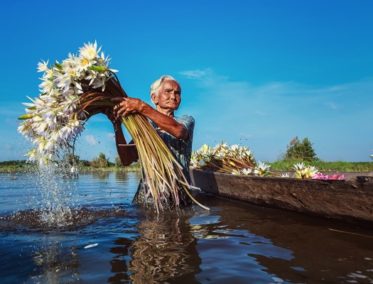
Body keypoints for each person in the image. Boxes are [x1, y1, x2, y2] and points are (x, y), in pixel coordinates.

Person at [108, 75, 195, 206]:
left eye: (177, 93)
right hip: (147, 197)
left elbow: (178, 131)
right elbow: (127, 159)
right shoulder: (145, 127)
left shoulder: (186, 121)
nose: (173, 96)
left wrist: (141, 107)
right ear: (154, 98)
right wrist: (117, 125)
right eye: (168, 91)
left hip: (177, 197)